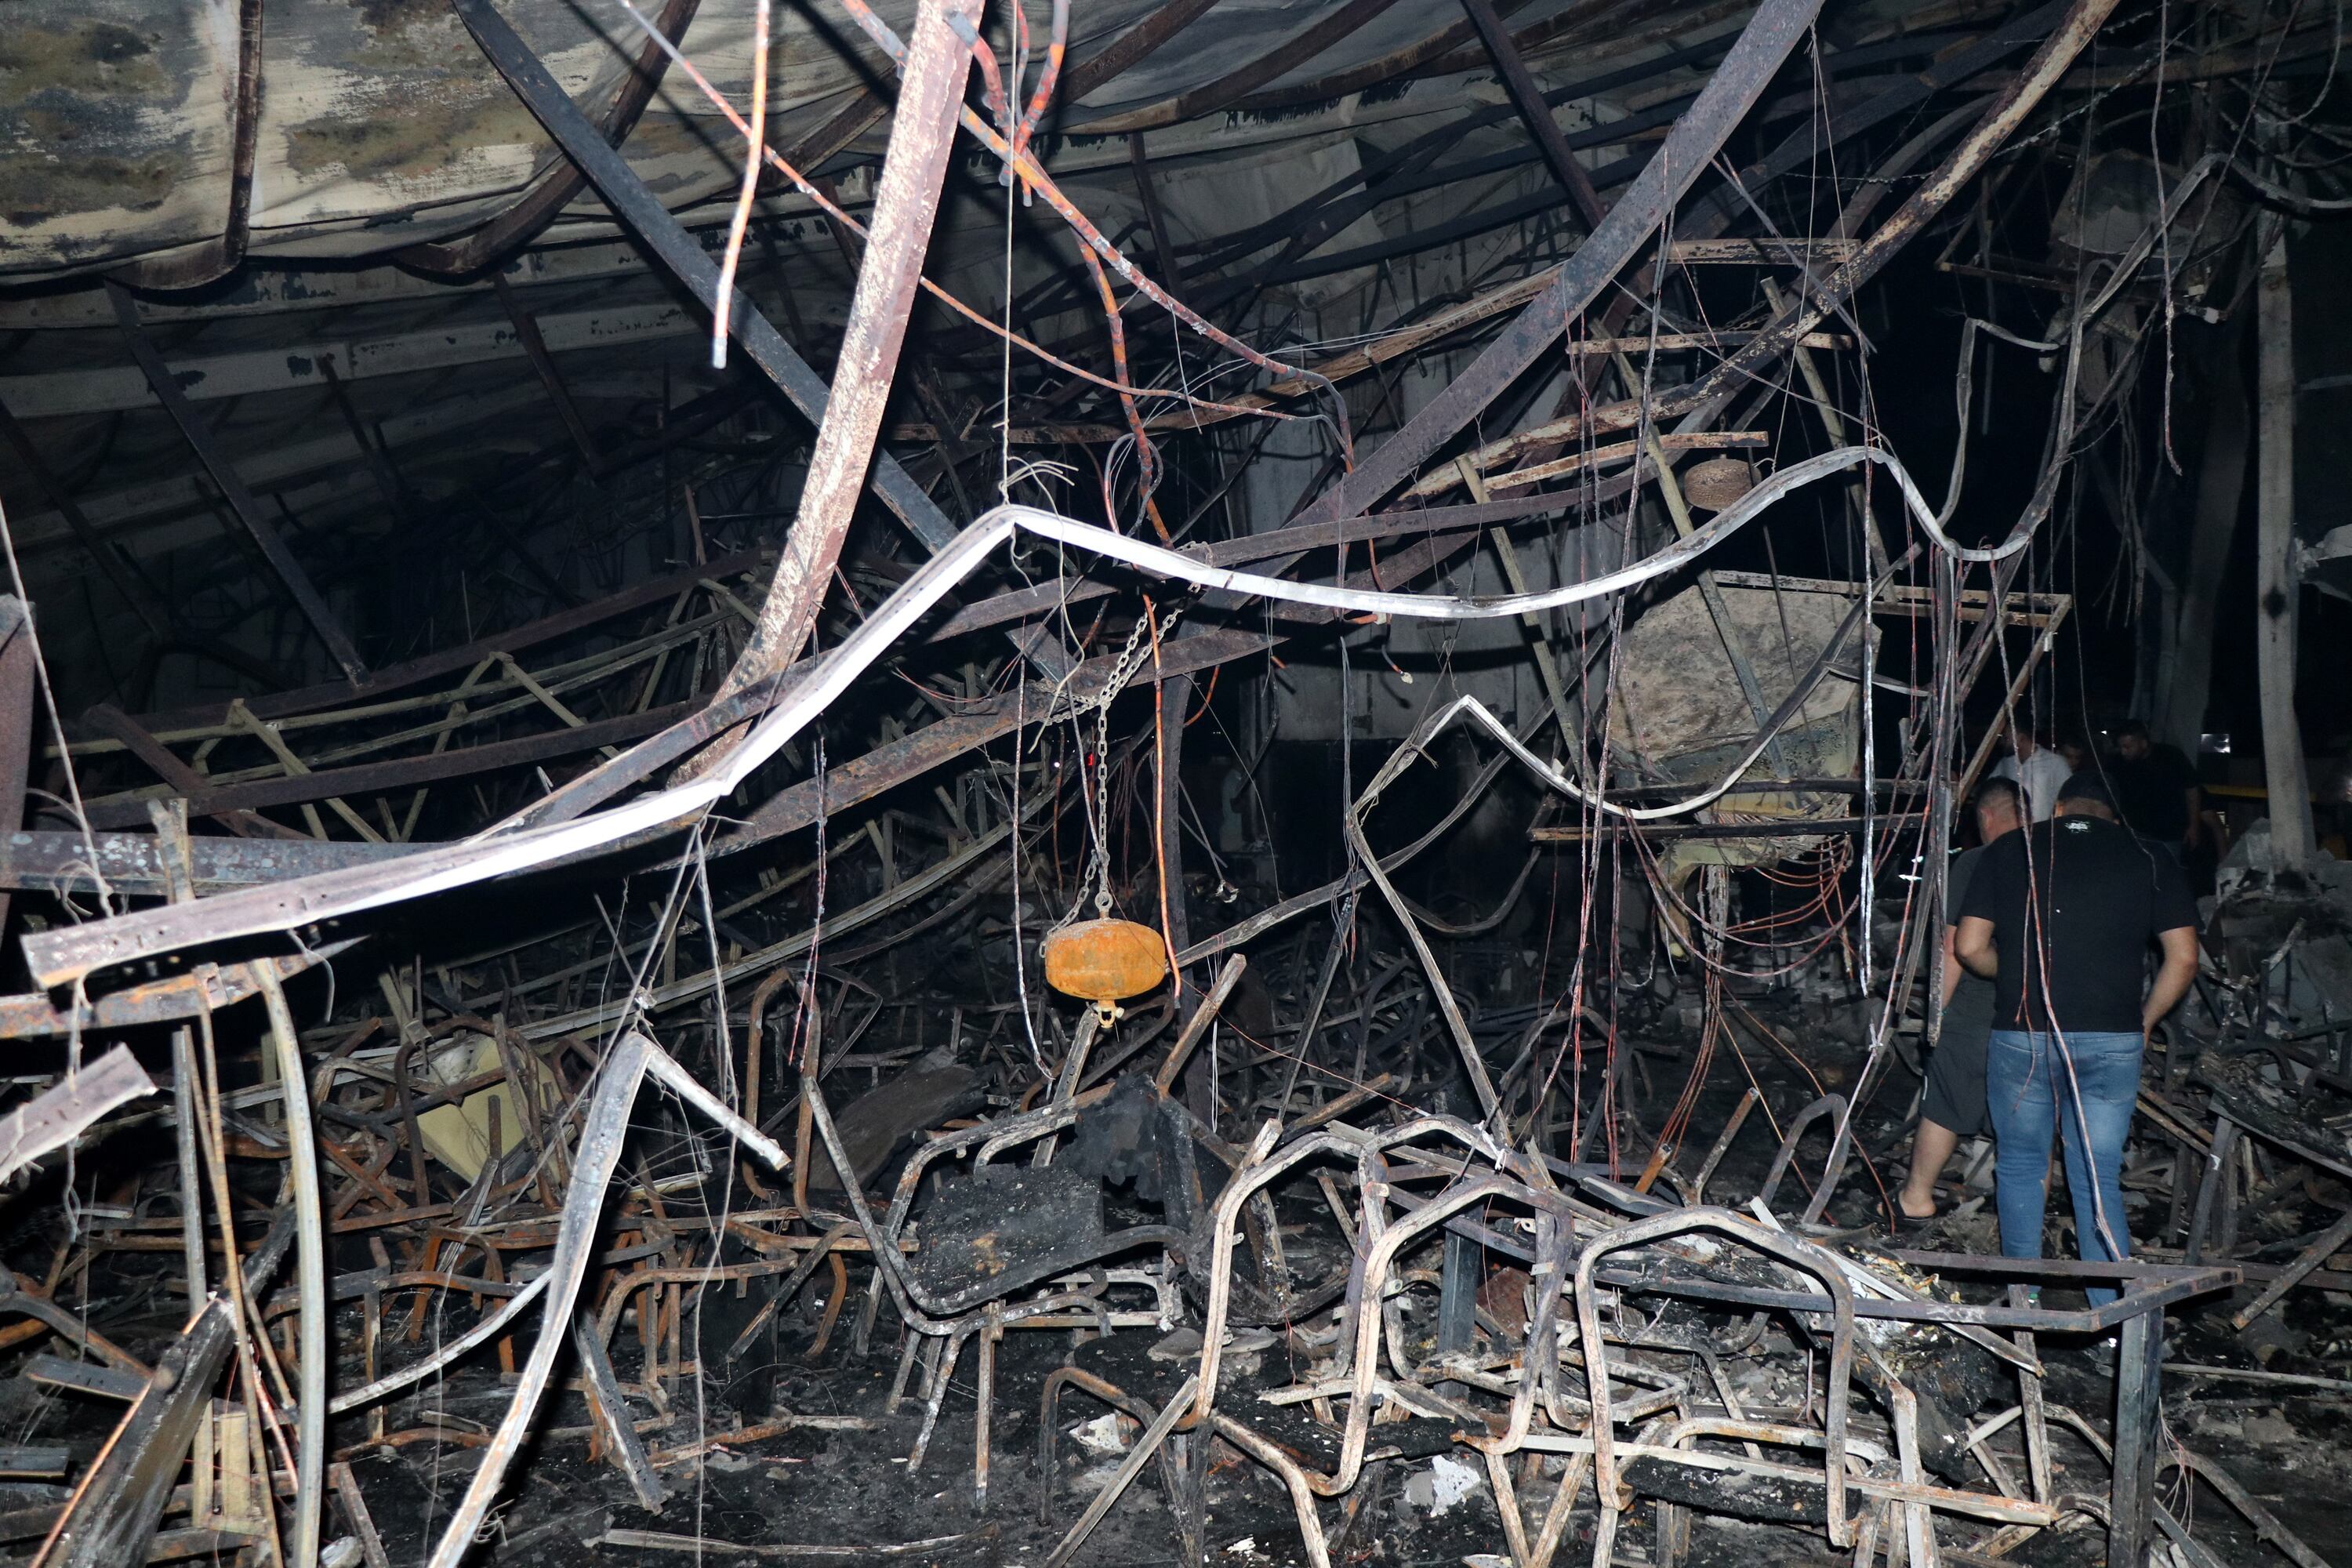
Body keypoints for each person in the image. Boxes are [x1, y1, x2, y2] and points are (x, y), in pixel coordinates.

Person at [1955, 773, 2199, 1301]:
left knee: (2020, 1165)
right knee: (2097, 1173)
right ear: (2116, 815)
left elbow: (1970, 947)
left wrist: (2017, 974)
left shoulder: (2009, 850)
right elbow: (2183, 957)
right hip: (2113, 1039)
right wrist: (2146, 1019)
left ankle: (2024, 1301)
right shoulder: (2151, 854)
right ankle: (2110, 1314)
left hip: (2025, 1035)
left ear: (2059, 807)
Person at [1898, 778, 2024, 1224]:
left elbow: (1956, 946)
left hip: (1977, 1010)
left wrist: (1938, 1014)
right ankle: (2018, 1215)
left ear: (1985, 817)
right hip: (2034, 1014)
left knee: (1945, 1103)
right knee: (2026, 1117)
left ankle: (1916, 1199)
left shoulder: (1979, 860)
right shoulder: (2052, 862)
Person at [2108, 719, 2203, 862]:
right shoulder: (2117, 764)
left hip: (2169, 834)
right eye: (2121, 747)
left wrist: (2194, 826)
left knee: (2167, 875)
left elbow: (2192, 791)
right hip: (2134, 835)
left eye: (2128, 747)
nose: (2123, 752)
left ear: (2144, 743)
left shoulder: (2172, 756)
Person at [1991, 727, 2069, 823]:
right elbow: (1991, 789)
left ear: (2021, 738)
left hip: (2042, 831)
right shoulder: (2006, 763)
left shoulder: (2056, 762)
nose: (2001, 742)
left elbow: (2069, 798)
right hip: (2013, 831)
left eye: (2006, 738)